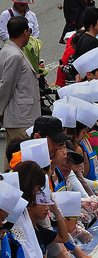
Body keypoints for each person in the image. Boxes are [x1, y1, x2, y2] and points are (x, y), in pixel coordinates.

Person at [0, 17, 41, 165]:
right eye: (29, 31)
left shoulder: (8, 49)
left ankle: (6, 185)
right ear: (25, 32)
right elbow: (5, 86)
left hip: (18, 114)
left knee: (11, 157)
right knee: (22, 158)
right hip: (22, 116)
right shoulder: (15, 55)